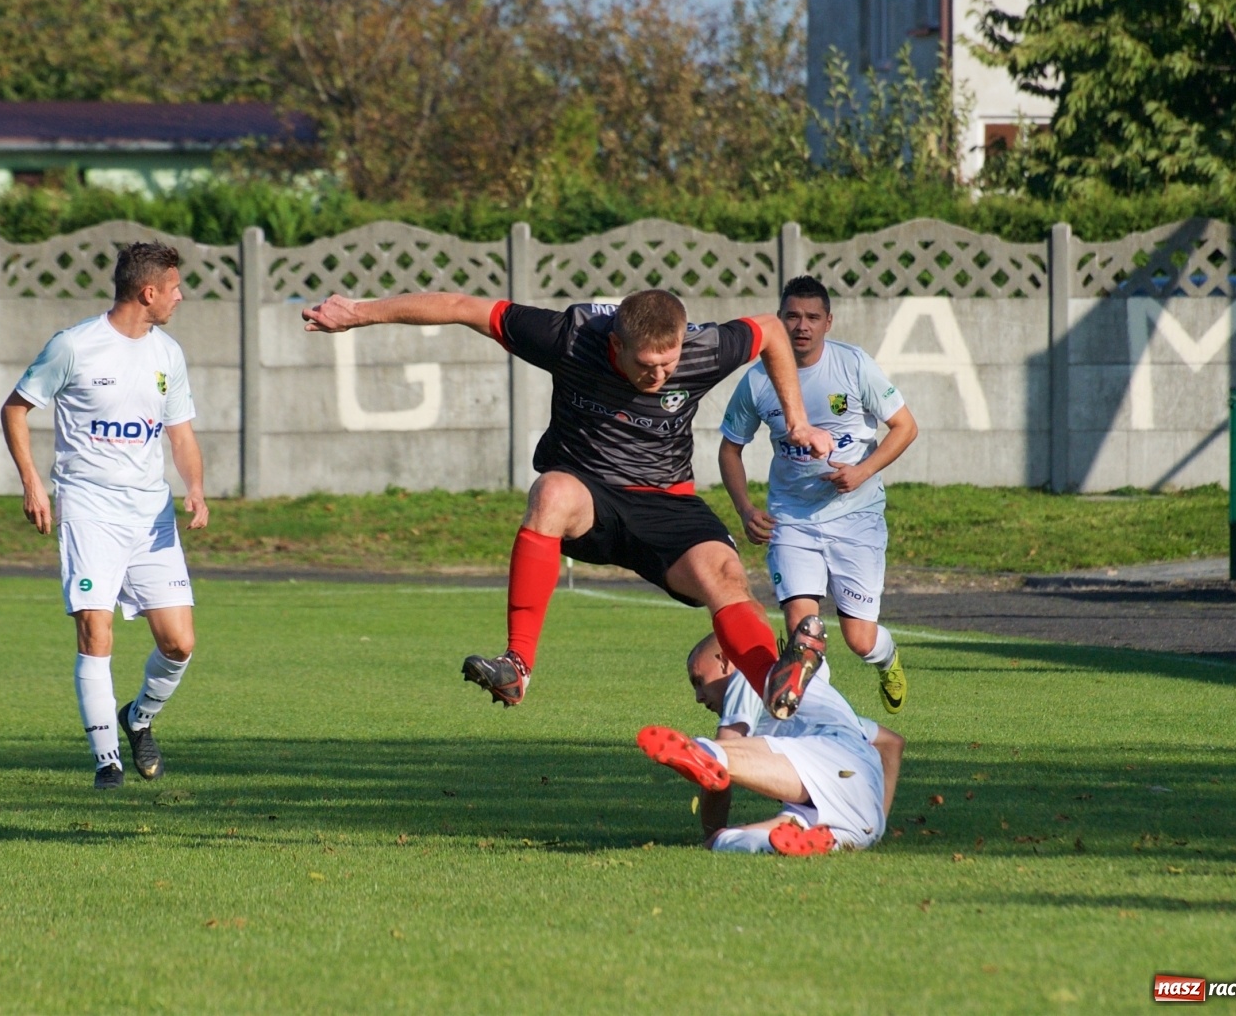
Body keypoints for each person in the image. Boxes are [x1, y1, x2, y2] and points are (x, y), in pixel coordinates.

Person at [303, 289, 833, 719]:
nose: (658, 377)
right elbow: (463, 307)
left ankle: (773, 684)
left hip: (666, 501)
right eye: (646, 365)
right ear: (616, 344)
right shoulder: (570, 336)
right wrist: (357, 314)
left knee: (725, 573)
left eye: (667, 364)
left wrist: (798, 421)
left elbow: (770, 329)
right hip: (590, 493)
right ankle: (517, 664)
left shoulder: (702, 348)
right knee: (551, 493)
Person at [1, 242, 209, 790]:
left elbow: (180, 431)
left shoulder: (168, 354)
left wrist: (196, 488)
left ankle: (137, 718)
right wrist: (33, 485)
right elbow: (16, 408)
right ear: (149, 293)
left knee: (179, 643)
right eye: (175, 287)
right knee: (96, 629)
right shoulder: (74, 346)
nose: (180, 297)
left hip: (151, 515)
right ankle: (107, 763)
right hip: (90, 509)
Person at [718, 275, 918, 714]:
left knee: (860, 640)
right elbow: (730, 449)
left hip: (856, 515)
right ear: (780, 320)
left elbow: (905, 427)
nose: (801, 326)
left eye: (812, 317)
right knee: (802, 636)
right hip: (791, 520)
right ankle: (833, 724)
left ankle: (887, 660)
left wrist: (863, 471)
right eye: (792, 316)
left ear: (828, 321)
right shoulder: (757, 381)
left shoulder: (853, 365)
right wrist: (745, 508)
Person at [637, 632, 905, 855]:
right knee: (723, 840)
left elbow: (723, 766)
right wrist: (877, 819)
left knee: (717, 753)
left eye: (699, 680)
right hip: (861, 815)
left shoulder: (751, 675)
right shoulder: (819, 704)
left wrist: (707, 824)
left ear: (725, 660)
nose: (698, 696)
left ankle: (705, 751)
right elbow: (892, 743)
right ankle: (779, 844)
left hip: (829, 760)